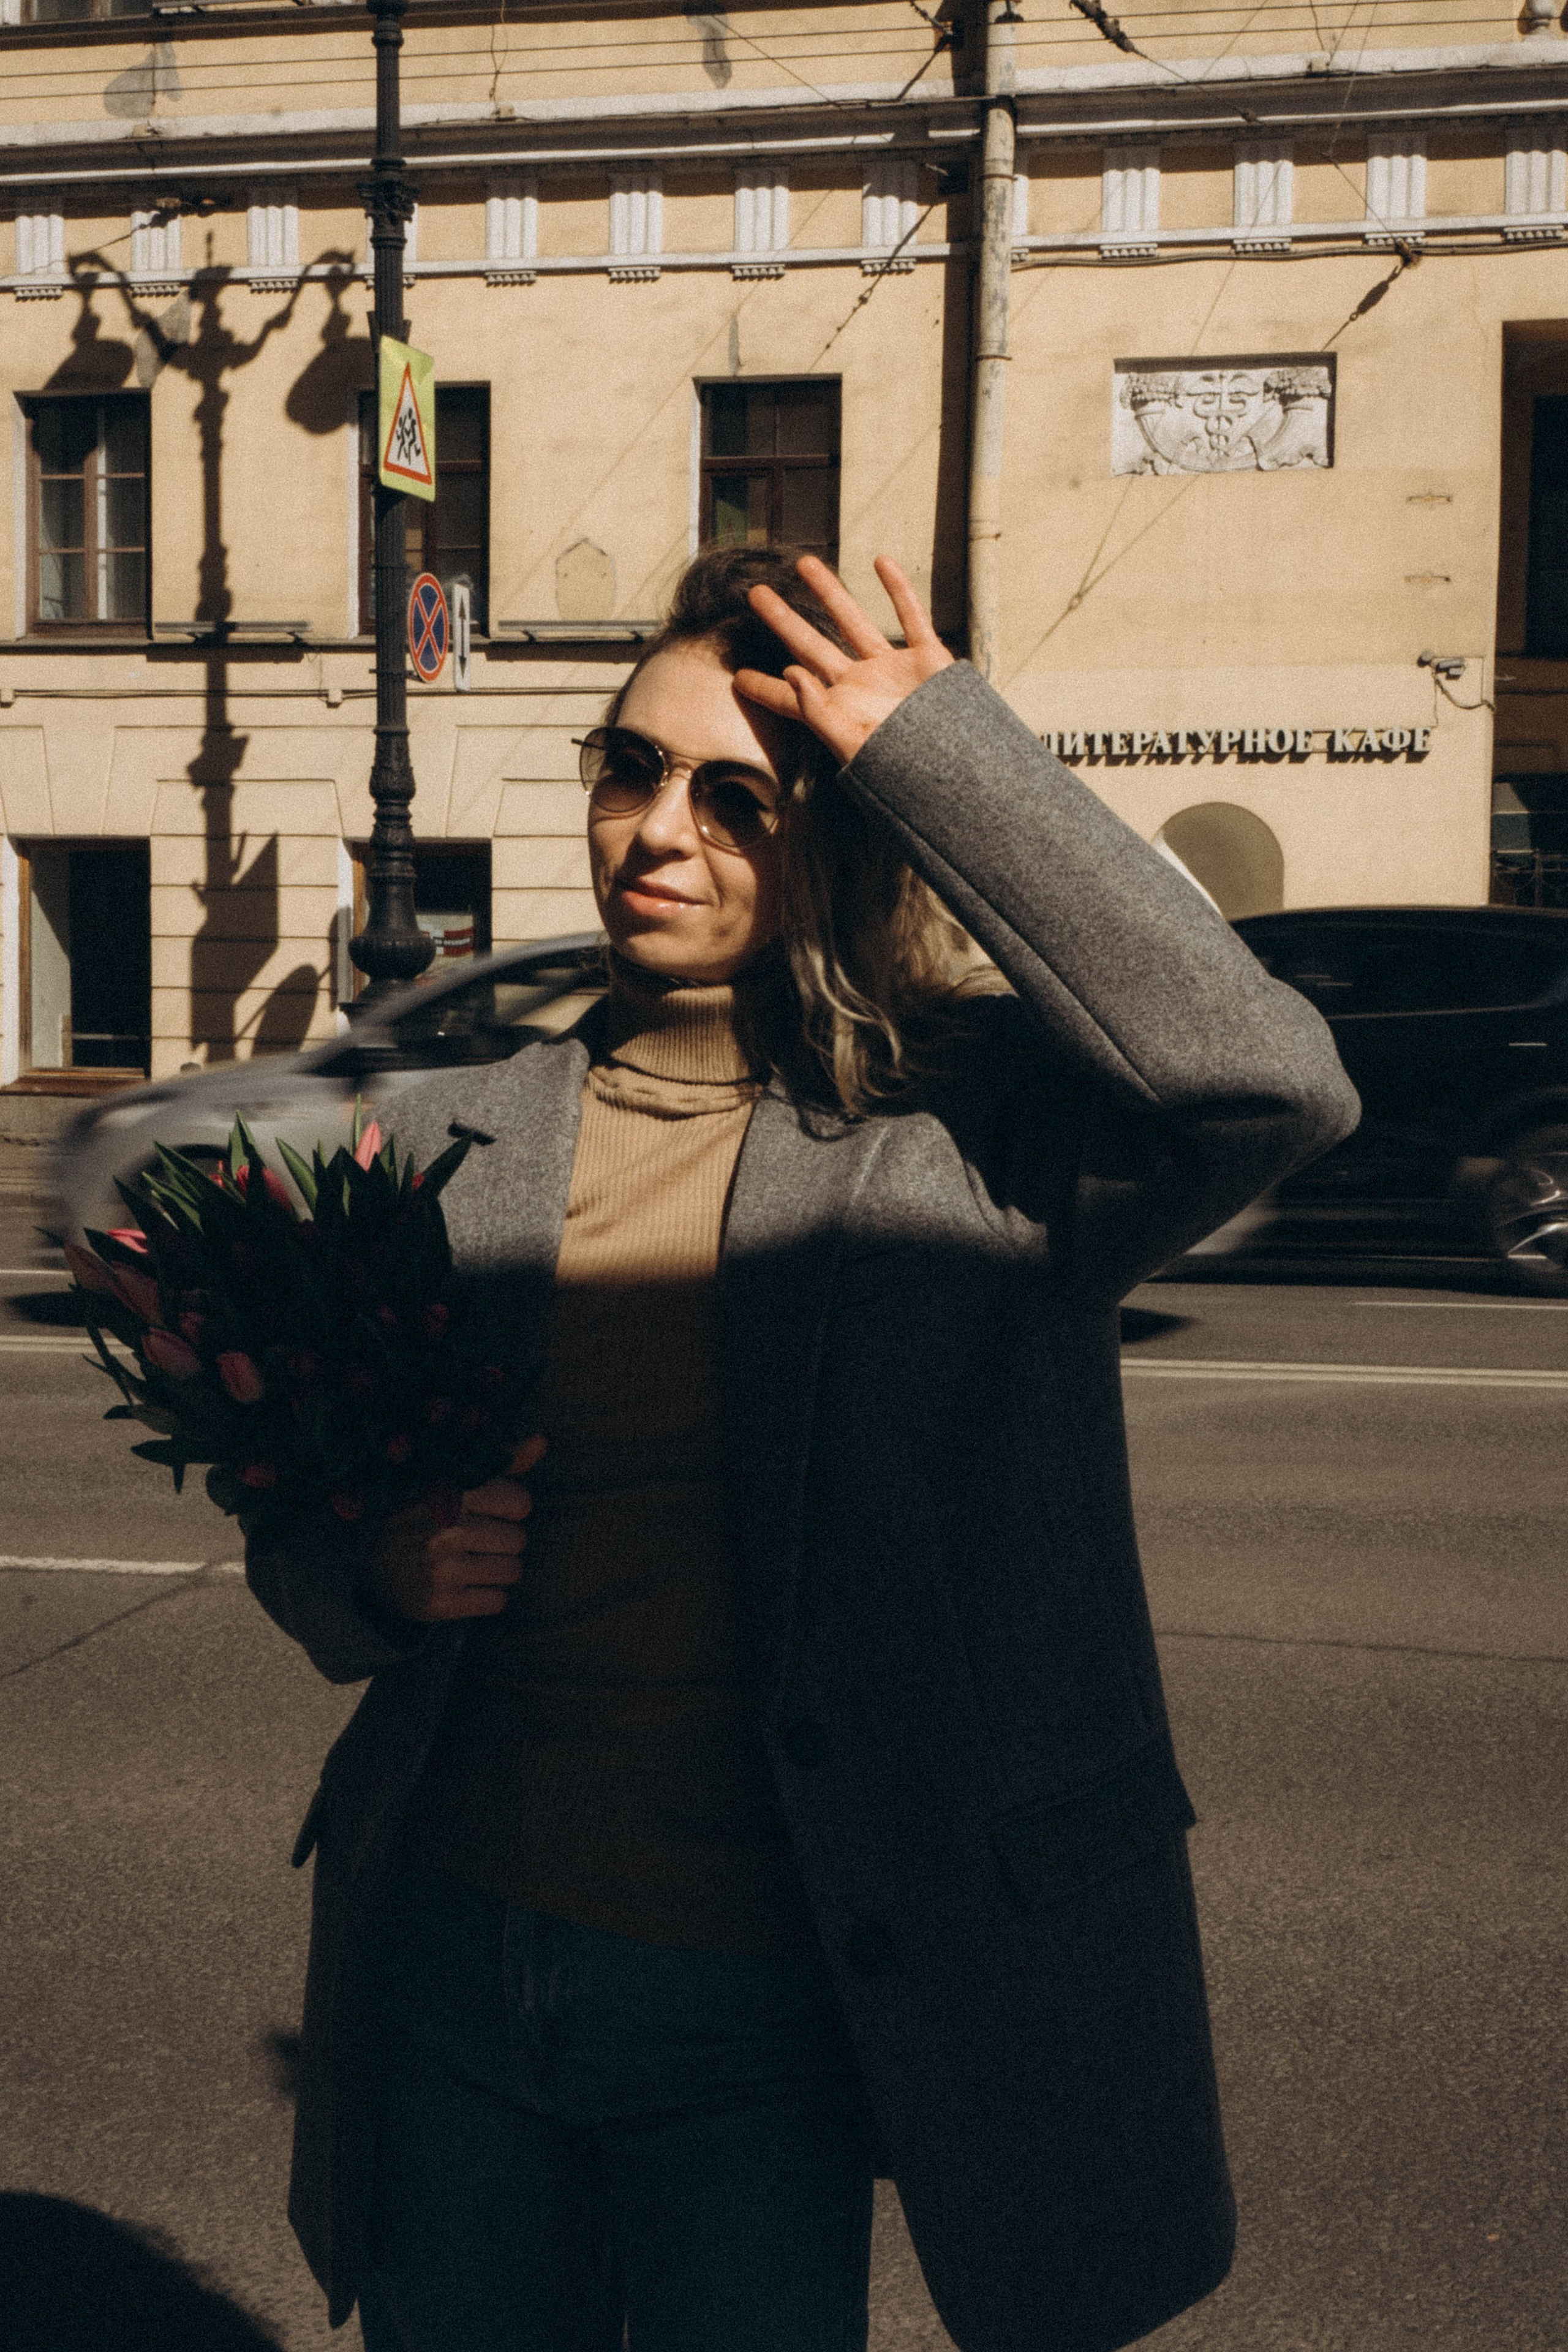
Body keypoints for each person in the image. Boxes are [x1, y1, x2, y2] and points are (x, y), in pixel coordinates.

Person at [247, 549, 1359, 2352]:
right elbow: (299, 1514)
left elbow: (1271, 1082)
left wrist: (937, 745)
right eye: (628, 770)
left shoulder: (973, 1136)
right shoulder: (455, 1134)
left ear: (838, 837)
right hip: (446, 1954)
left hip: (766, 2004)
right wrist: (370, 1570)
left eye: (733, 798)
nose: (653, 832)